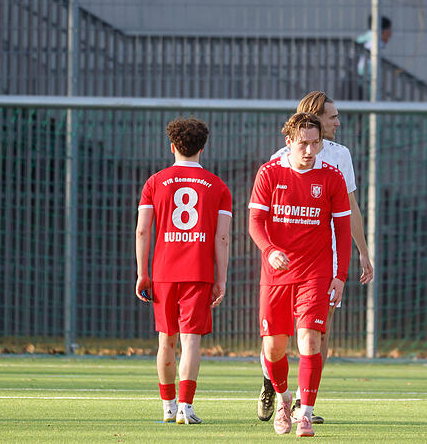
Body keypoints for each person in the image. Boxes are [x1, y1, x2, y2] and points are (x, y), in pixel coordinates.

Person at [257, 91, 373, 424]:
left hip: (325, 260)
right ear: (313, 120)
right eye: (332, 116)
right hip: (283, 265)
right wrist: (272, 250)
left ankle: (305, 405)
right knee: (276, 340)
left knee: (318, 333)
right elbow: (263, 216)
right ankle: (274, 387)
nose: (338, 122)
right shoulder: (279, 159)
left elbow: (350, 209)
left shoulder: (341, 156)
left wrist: (362, 253)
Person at [248, 112, 352, 437]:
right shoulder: (269, 174)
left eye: (315, 143)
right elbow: (254, 223)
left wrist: (341, 275)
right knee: (274, 348)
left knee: (309, 340)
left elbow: (343, 231)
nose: (309, 150)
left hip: (315, 272)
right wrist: (270, 250)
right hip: (276, 274)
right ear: (288, 141)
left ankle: (305, 414)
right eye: (303, 143)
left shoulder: (332, 177)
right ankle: (282, 398)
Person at [135, 117, 231, 425]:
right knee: (191, 341)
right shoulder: (218, 186)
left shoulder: (154, 182)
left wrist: (142, 272)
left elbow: (142, 232)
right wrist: (222, 278)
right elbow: (223, 237)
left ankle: (167, 406)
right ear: (203, 147)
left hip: (163, 272)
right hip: (199, 272)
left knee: (167, 340)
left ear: (173, 146)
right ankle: (186, 409)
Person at [350, 15, 393, 100]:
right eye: (389, 30)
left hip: (354, 76)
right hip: (363, 77)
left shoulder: (364, 37)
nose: (391, 34)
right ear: (383, 31)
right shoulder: (375, 40)